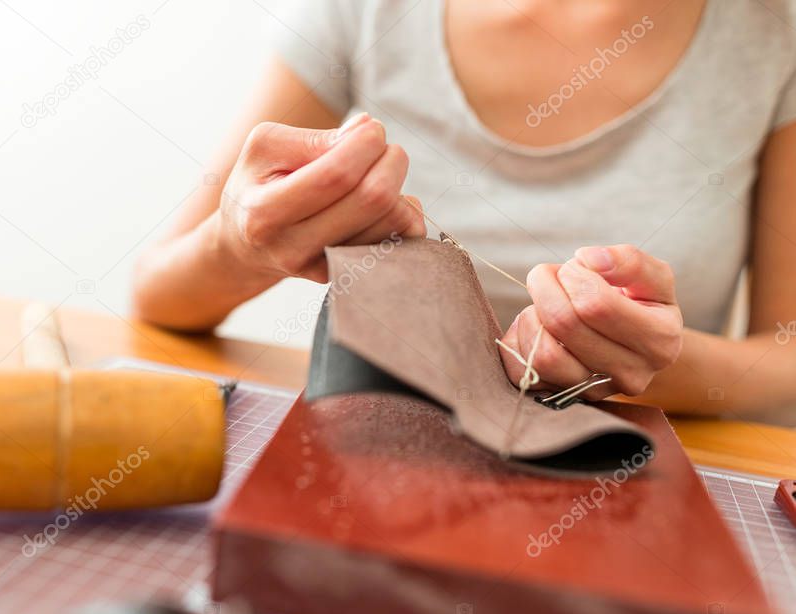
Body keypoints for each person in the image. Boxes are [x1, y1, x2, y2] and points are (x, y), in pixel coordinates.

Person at [132, 0, 796, 421]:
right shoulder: (364, 11)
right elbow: (158, 295)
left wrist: (660, 363)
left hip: (643, 473)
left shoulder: (773, 36)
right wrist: (240, 246)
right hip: (380, 447)